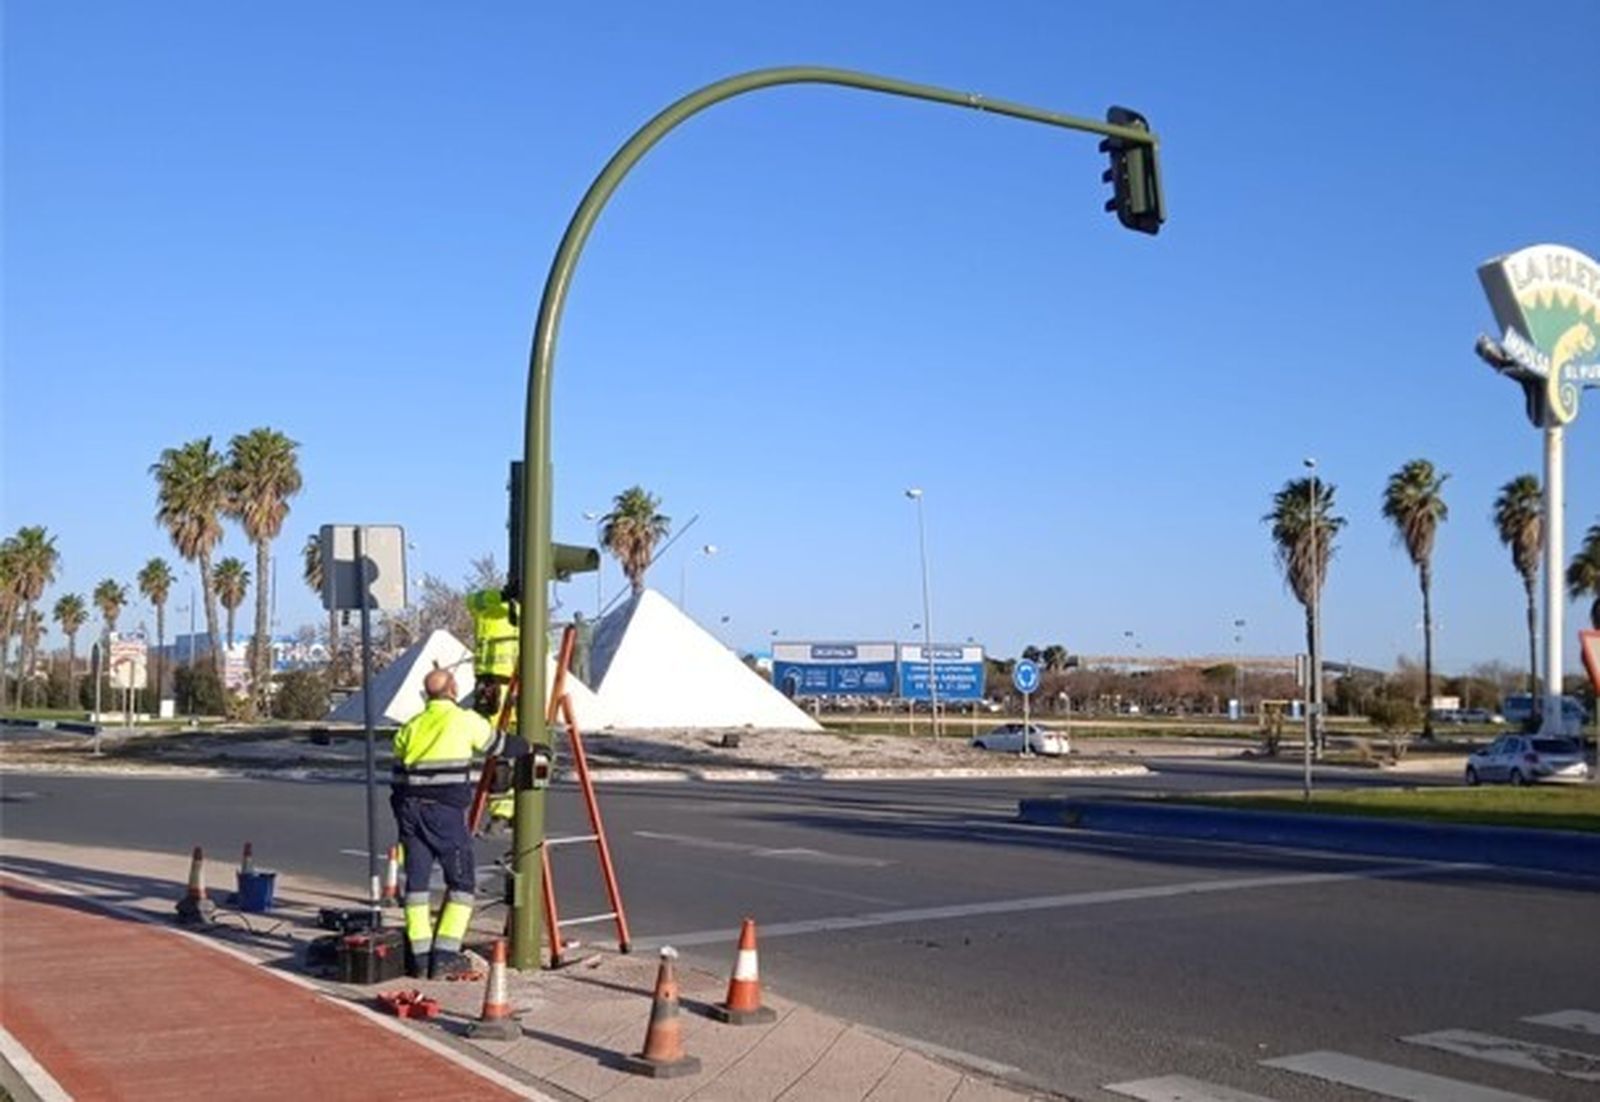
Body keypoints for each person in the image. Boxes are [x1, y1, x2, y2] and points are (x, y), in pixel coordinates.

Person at [391, 667, 503, 978]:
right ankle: (445, 956)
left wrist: (405, 819)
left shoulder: (411, 727)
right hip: (445, 813)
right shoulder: (463, 720)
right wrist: (532, 747)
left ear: (427, 694)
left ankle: (420, 956)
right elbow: (497, 744)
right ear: (453, 689)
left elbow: (397, 779)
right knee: (462, 883)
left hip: (410, 812)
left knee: (416, 885)